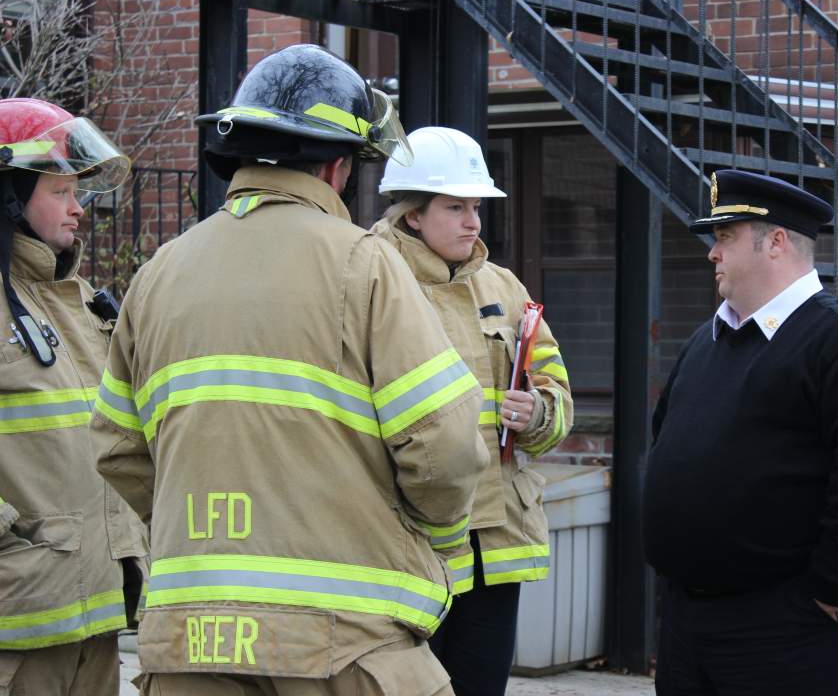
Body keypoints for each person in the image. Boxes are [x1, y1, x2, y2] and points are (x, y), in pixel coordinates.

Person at [89, 44, 489, 695]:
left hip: (191, 646)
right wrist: (428, 534)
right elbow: (444, 448)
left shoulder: (158, 272)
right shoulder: (365, 264)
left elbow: (115, 447)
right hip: (342, 643)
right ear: (337, 166)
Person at [642, 169, 838, 696]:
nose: (711, 254)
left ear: (777, 243)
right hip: (688, 621)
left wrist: (831, 582)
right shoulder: (708, 338)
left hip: (784, 623)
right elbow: (667, 437)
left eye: (725, 238)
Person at [373, 126, 573, 696]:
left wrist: (537, 412)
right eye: (455, 206)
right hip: (411, 543)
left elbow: (558, 394)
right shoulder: (370, 279)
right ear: (413, 214)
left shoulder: (504, 287)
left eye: (477, 207)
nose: (473, 222)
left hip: (496, 545)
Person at [0, 97, 147, 694]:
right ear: (10, 194)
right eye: (60, 191)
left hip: (100, 613)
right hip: (18, 622)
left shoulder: (81, 301)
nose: (78, 208)